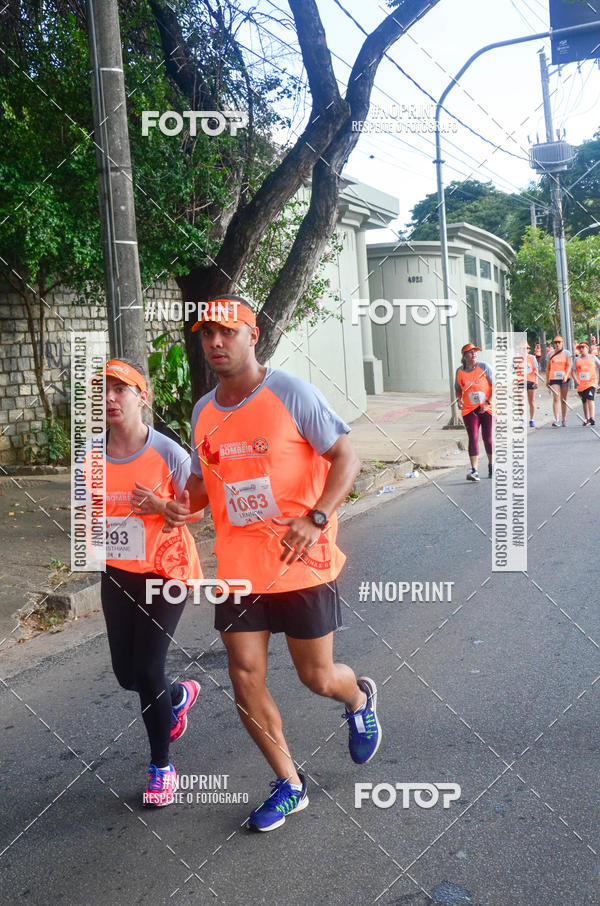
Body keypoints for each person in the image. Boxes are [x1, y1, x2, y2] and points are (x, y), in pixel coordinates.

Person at [163, 296, 381, 833]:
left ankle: (358, 696)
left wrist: (318, 516)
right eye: (206, 334)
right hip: (239, 569)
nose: (215, 342)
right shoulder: (203, 410)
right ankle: (289, 784)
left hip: (301, 562)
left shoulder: (289, 391)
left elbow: (347, 457)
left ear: (251, 335)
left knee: (317, 676)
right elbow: (197, 488)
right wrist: (169, 509)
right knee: (244, 678)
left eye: (226, 332)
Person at [88, 359, 203, 807]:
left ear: (143, 397)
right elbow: (92, 513)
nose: (111, 398)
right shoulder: (90, 456)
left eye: (122, 389)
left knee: (149, 667)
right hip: (118, 571)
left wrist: (162, 506)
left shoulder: (169, 454)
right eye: (104, 391)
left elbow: (195, 509)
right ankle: (177, 696)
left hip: (166, 570)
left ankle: (162, 768)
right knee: (126, 675)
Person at [455, 343, 495, 481]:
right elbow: (458, 388)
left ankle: (491, 465)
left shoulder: (484, 367)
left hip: (486, 408)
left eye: (475, 352)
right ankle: (474, 470)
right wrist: (459, 399)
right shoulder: (459, 371)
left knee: (487, 438)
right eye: (471, 352)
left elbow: (495, 386)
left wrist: (487, 402)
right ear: (465, 356)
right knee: (473, 437)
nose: (474, 354)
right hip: (469, 409)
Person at [546, 335, 572, 427]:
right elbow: (548, 368)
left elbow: (569, 365)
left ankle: (564, 419)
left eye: (559, 342)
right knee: (556, 397)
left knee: (563, 399)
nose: (557, 344)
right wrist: (547, 380)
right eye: (555, 342)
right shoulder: (550, 354)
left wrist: (566, 375)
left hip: (564, 378)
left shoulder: (567, 353)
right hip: (554, 378)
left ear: (562, 343)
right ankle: (556, 419)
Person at [572, 341, 600, 426]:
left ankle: (592, 418)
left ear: (587, 348)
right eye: (580, 348)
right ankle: (587, 418)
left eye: (583, 347)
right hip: (581, 384)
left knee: (590, 398)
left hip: (591, 382)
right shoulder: (577, 359)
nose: (581, 349)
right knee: (584, 401)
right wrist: (576, 379)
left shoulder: (593, 358)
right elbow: (573, 371)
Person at [525, 344, 539, 427]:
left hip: (531, 381)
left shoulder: (532, 358)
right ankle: (521, 420)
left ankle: (531, 419)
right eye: (522, 348)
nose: (524, 350)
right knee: (520, 401)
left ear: (529, 349)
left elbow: (536, 369)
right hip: (521, 381)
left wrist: (536, 381)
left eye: (526, 348)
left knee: (531, 401)